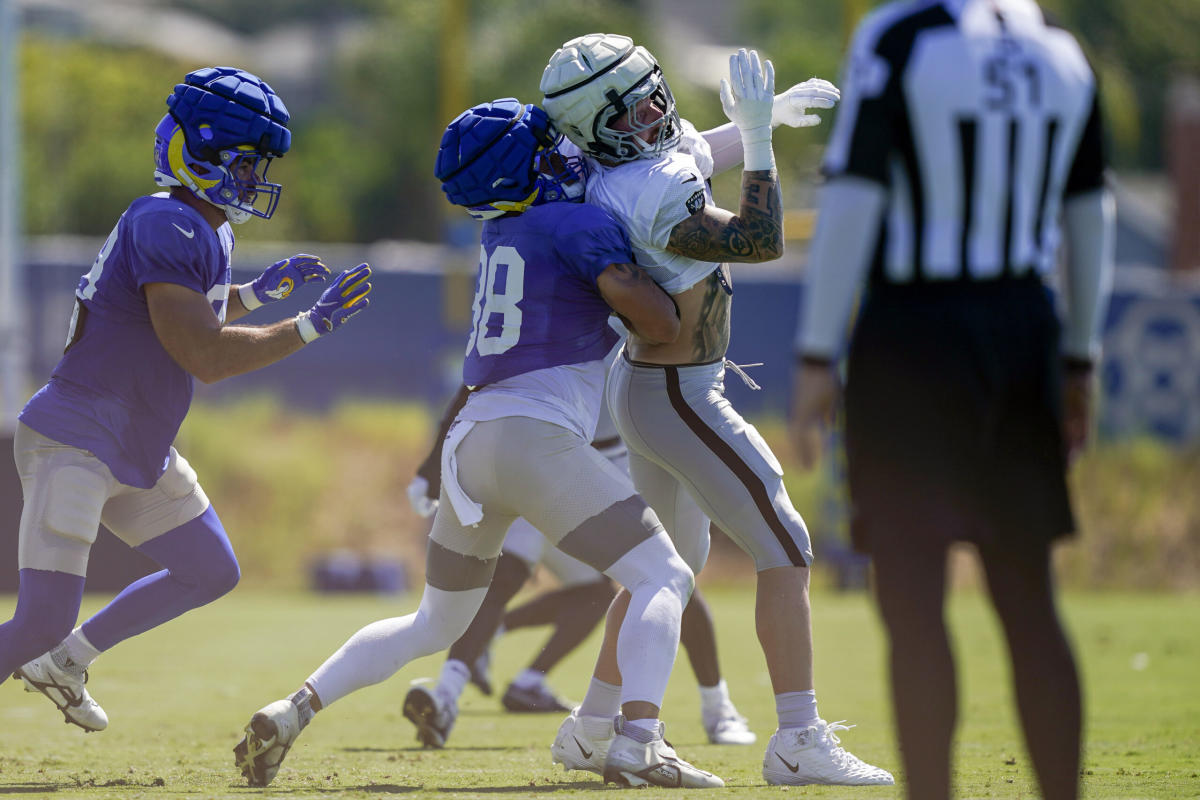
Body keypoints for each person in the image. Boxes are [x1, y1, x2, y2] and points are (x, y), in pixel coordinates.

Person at [233, 97, 723, 789]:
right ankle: (638, 740)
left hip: (473, 441)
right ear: (530, 163)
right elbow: (661, 323)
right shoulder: (574, 223)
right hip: (533, 436)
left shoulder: (502, 235)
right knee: (664, 576)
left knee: (431, 622)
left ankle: (291, 709)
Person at [539, 34, 894, 787]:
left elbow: (686, 151)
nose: (657, 111)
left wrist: (756, 122)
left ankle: (591, 725)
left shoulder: (618, 169)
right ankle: (798, 736)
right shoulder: (651, 187)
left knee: (662, 567)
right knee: (786, 544)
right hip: (680, 393)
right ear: (598, 125)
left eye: (653, 92)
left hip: (647, 386)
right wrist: (761, 139)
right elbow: (759, 239)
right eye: (634, 108)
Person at [789, 2, 1113, 799]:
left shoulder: (902, 36)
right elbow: (1089, 211)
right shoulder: (1064, 54)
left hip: (914, 335)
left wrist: (816, 351)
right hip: (1024, 330)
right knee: (1028, 597)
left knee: (912, 599)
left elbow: (855, 196)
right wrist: (1079, 357)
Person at [0, 66, 371, 733]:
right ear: (196, 151)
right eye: (245, 162)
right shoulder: (166, 220)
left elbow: (176, 310)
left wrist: (257, 296)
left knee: (209, 569)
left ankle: (67, 660)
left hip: (133, 437)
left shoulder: (204, 228)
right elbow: (202, 352)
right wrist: (310, 324)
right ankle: (53, 645)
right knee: (39, 617)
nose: (255, 179)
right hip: (79, 434)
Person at [404, 341, 755, 746]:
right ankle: (446, 694)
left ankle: (716, 707)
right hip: (546, 456)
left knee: (662, 578)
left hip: (620, 461)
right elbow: (477, 382)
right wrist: (432, 465)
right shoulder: (554, 302)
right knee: (507, 572)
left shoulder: (634, 297)